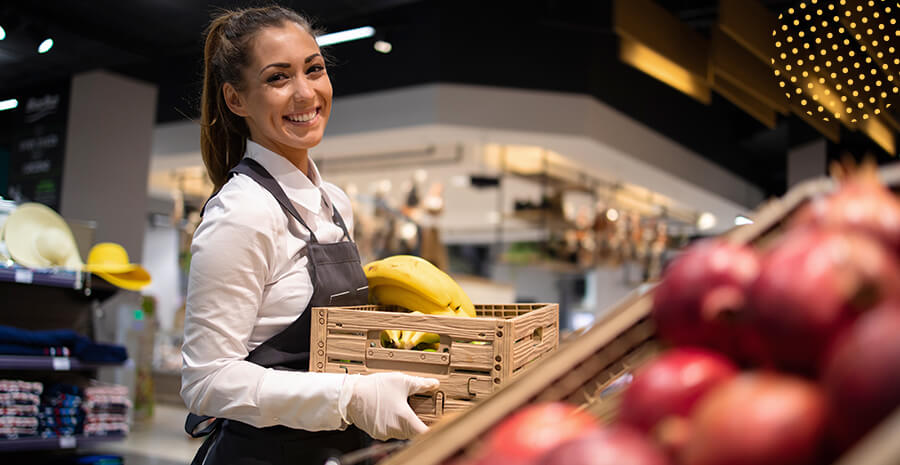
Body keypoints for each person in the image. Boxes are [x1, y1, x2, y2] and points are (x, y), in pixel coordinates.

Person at [180, 6, 439, 465]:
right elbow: (206, 382)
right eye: (278, 78)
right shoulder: (242, 213)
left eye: (313, 69)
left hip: (339, 450)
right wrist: (349, 398)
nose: (305, 93)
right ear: (236, 100)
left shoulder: (336, 204)